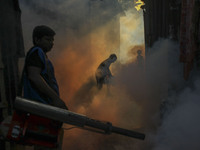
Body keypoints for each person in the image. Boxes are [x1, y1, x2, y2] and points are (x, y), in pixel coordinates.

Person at [21, 25, 67, 110]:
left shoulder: (42, 55)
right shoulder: (36, 52)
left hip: (43, 105)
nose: (51, 43)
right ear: (37, 40)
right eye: (48, 39)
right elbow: (34, 77)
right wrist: (55, 99)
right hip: (38, 105)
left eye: (52, 40)